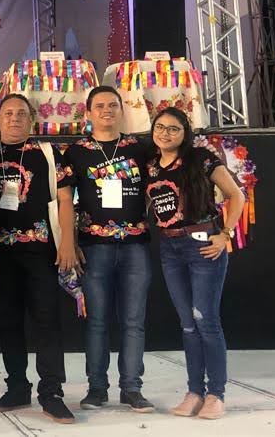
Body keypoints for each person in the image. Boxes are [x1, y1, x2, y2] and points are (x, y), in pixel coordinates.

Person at [0, 94, 78, 424]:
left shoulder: (47, 153)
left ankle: (52, 392)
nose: (14, 119)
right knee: (8, 321)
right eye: (8, 113)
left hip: (42, 251)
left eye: (21, 113)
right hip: (0, 254)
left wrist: (67, 242)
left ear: (31, 118)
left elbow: (65, 200)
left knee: (47, 321)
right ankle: (17, 387)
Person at [146, 107, 245, 420]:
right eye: (160, 127)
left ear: (184, 133)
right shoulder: (151, 166)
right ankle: (194, 391)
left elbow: (236, 195)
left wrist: (225, 234)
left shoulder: (201, 159)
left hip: (203, 245)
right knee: (187, 324)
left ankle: (216, 393)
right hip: (170, 248)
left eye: (173, 129)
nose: (165, 134)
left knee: (206, 321)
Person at [64, 86, 155, 413]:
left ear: (121, 110)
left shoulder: (139, 148)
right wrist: (70, 241)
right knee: (97, 321)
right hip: (94, 247)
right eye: (99, 105)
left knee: (134, 321)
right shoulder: (76, 151)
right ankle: (96, 388)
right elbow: (64, 200)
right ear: (88, 112)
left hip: (135, 246)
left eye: (113, 105)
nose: (107, 110)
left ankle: (132, 388)